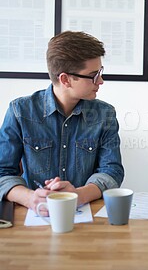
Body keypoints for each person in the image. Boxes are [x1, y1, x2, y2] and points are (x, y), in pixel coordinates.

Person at [0, 31, 124, 214]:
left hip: (85, 215)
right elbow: (3, 172)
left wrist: (77, 196)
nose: (101, 81)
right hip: (35, 215)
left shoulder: (105, 114)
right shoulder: (20, 111)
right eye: (93, 75)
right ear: (65, 79)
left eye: (100, 72)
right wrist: (30, 198)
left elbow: (112, 170)